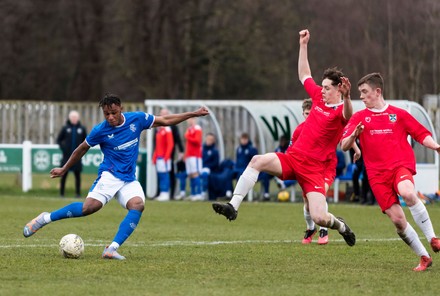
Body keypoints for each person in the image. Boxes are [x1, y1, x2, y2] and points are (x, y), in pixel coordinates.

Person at [212, 29, 356, 248]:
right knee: (256, 161)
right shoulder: (318, 97)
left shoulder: (340, 110)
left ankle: (342, 226)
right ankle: (233, 206)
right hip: (293, 158)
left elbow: (348, 115)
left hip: (315, 170)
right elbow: (304, 75)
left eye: (327, 88)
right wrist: (303, 45)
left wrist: (347, 96)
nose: (322, 90)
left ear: (338, 89)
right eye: (323, 87)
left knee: (320, 217)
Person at [23, 94, 209, 260]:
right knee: (88, 208)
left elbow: (166, 120)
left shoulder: (137, 119)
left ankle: (111, 249)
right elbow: (82, 148)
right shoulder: (100, 130)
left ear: (121, 109)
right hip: (109, 176)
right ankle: (44, 218)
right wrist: (64, 169)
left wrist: (192, 114)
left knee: (138, 205)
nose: (110, 117)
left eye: (113, 112)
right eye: (106, 114)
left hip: (128, 178)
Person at [341, 72, 440, 271]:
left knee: (407, 192)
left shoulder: (399, 114)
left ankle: (433, 238)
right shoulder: (360, 117)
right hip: (377, 176)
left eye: (364, 92)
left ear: (377, 91)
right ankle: (423, 256)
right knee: (398, 220)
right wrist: (354, 134)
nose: (361, 96)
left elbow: (420, 134)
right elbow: (344, 145)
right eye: (359, 92)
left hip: (399, 167)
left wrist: (436, 146)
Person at [56, 110, 87, 198]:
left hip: (77, 157)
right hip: (66, 156)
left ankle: (78, 193)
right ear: (70, 118)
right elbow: (59, 140)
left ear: (78, 118)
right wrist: (64, 149)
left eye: (75, 117)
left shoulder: (82, 129)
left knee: (77, 175)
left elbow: (86, 141)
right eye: (72, 117)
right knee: (63, 174)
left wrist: (82, 151)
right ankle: (61, 193)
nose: (74, 119)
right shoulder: (65, 128)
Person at [152, 115, 174, 201]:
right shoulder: (159, 130)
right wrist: (155, 156)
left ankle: (166, 193)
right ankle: (162, 192)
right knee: (161, 175)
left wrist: (167, 156)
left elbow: (170, 144)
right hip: (159, 157)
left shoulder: (167, 130)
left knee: (165, 175)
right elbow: (157, 146)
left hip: (164, 157)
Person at [184, 117, 203, 201]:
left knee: (195, 174)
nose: (189, 121)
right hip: (189, 155)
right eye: (188, 119)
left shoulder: (197, 129)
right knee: (191, 174)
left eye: (191, 119)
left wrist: (188, 136)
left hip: (195, 155)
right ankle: (193, 193)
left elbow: (197, 141)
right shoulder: (189, 129)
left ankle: (199, 193)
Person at [201, 133, 220, 198]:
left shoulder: (215, 151)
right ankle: (194, 193)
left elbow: (215, 163)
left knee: (204, 174)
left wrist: (207, 166)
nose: (209, 141)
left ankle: (203, 193)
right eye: (208, 139)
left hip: (209, 169)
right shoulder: (201, 149)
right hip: (200, 167)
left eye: (211, 139)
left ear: (213, 141)